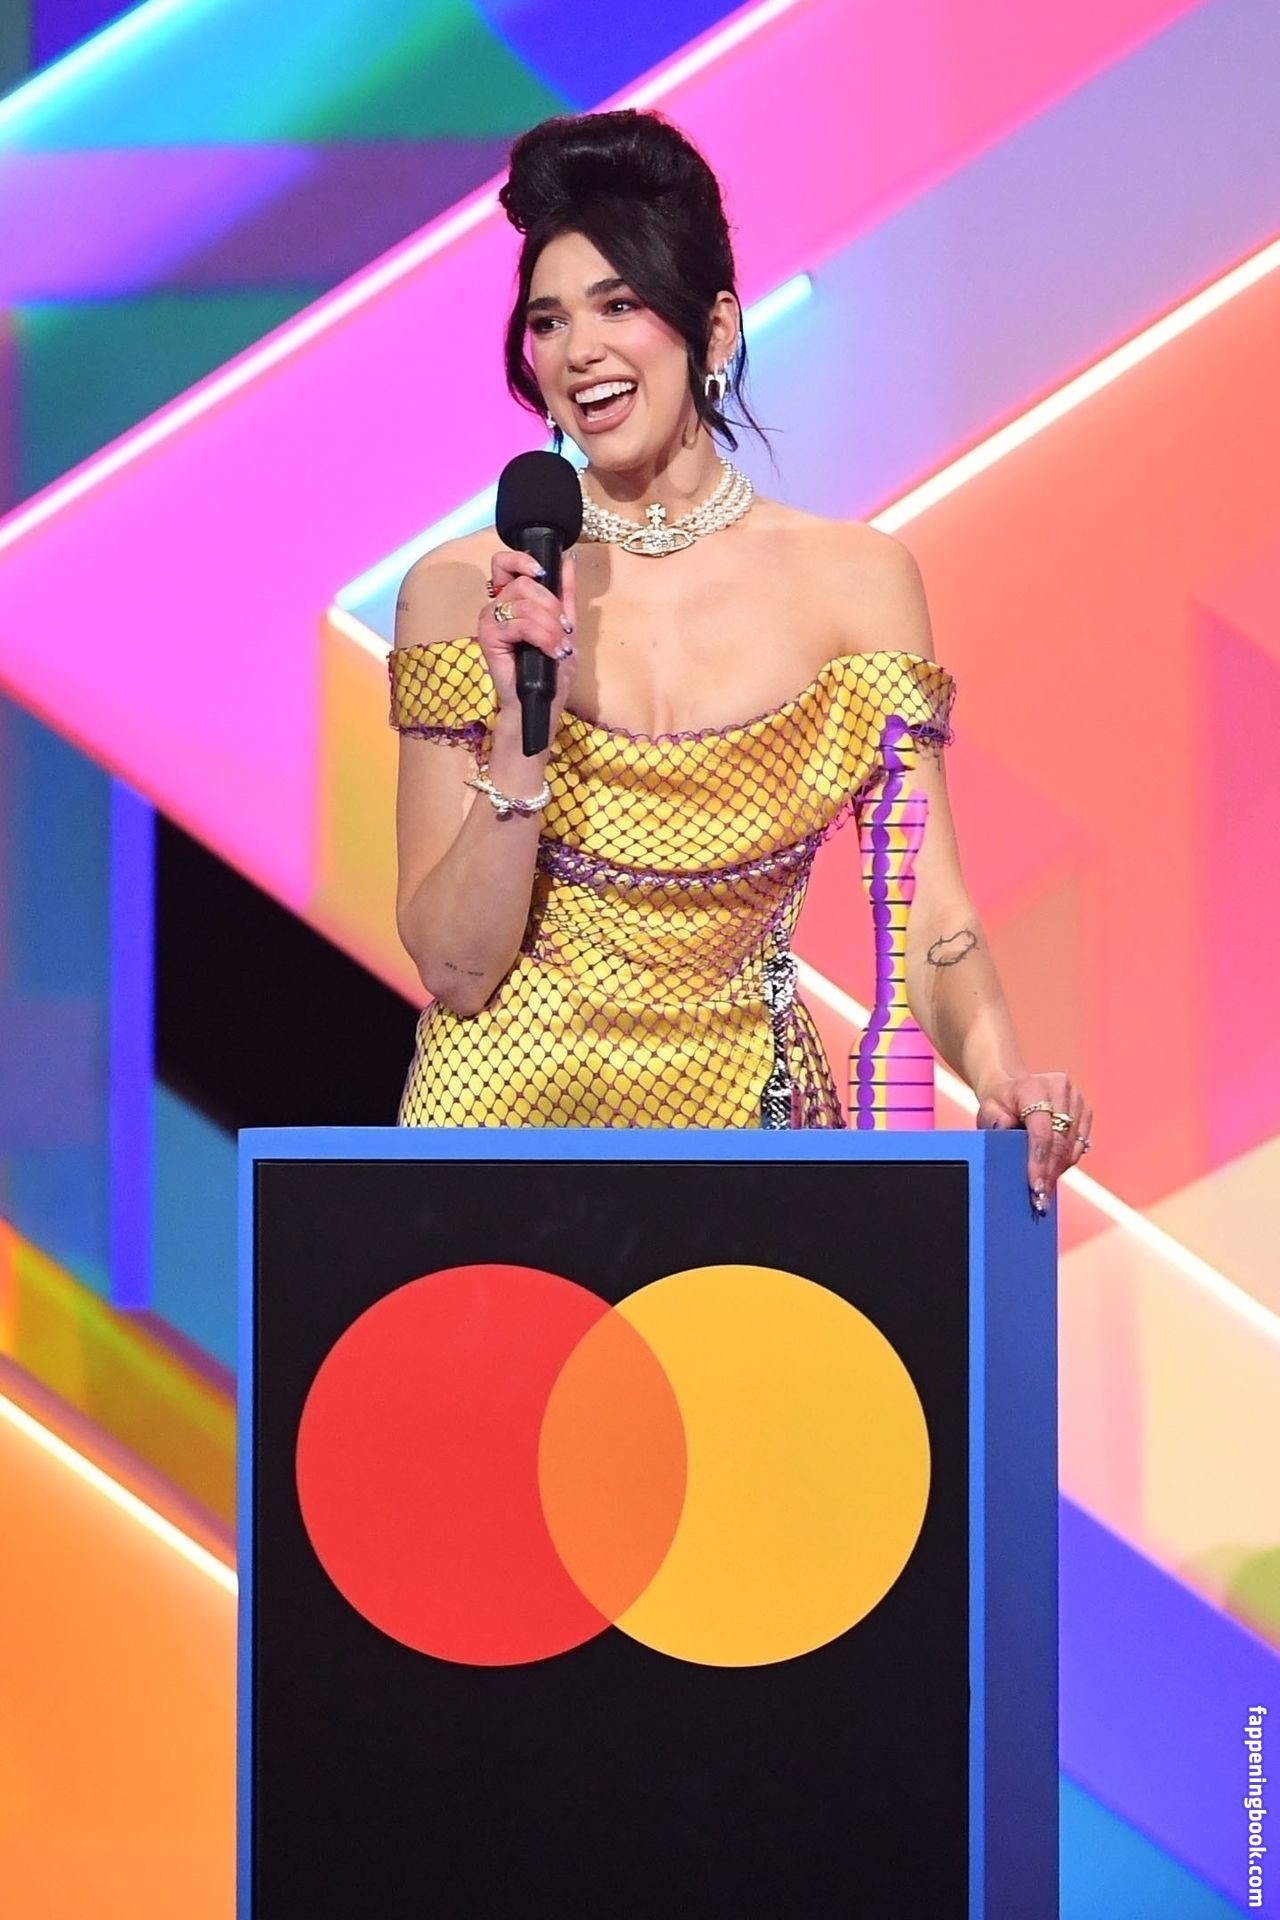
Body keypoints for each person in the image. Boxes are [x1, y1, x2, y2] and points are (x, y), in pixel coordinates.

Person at [389, 108, 1092, 1214]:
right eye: (547, 321)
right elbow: (454, 970)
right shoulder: (466, 589)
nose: (579, 351)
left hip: (749, 1139)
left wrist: (999, 1069)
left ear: (713, 329)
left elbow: (923, 906)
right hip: (499, 1136)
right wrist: (523, 741)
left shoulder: (855, 583)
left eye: (618, 304)